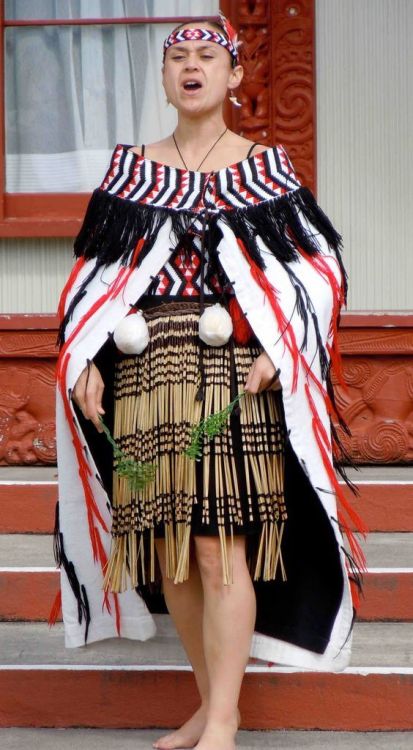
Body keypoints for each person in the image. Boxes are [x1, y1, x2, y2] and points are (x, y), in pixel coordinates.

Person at [49, 13, 366, 750]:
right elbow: (93, 280)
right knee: (171, 551)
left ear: (233, 76)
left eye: (207, 54)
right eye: (178, 56)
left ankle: (223, 717)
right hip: (145, 369)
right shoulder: (130, 171)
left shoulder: (264, 169)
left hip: (229, 372)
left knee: (217, 544)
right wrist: (88, 357)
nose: (191, 65)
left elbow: (320, 270)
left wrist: (283, 344)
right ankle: (209, 704)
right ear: (164, 79)